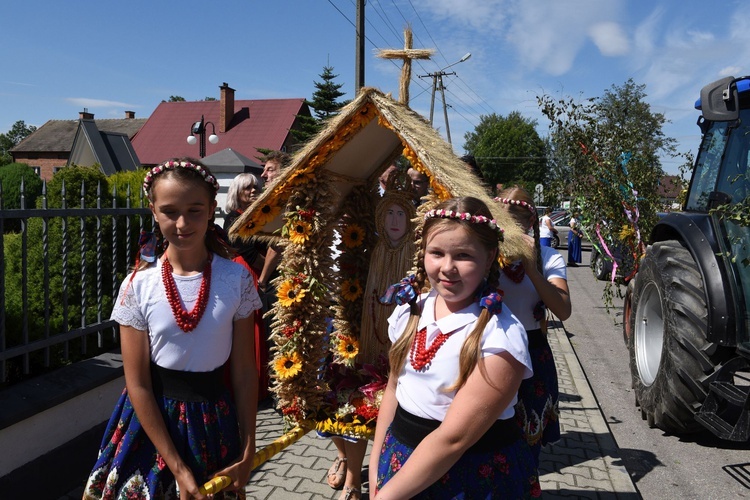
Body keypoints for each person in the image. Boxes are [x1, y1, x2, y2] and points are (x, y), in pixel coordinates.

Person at [83, 158, 260, 499]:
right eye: (170, 211)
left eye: (195, 210)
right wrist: (177, 467)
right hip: (151, 427)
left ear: (211, 210)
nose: (182, 222)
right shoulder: (138, 286)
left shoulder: (236, 280)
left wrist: (248, 449)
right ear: (153, 211)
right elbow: (137, 383)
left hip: (214, 421)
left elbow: (243, 372)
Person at [369, 197, 540, 499]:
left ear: (489, 259)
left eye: (463, 255)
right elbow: (394, 388)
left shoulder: (500, 334)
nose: (447, 268)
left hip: (470, 474)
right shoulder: (412, 310)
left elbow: (453, 439)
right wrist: (375, 469)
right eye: (436, 253)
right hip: (401, 459)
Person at [325, 182, 416, 500]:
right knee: (350, 405)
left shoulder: (413, 254)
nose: (394, 220)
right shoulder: (376, 251)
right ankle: (352, 475)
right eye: (388, 213)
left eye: (400, 214)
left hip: (400, 347)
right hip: (370, 336)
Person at [496, 187, 572, 467]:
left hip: (532, 351)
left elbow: (563, 310)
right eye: (504, 221)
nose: (510, 229)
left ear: (530, 223)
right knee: (494, 440)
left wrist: (531, 268)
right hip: (491, 350)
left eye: (517, 221)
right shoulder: (487, 254)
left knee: (528, 443)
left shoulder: (549, 256)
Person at [224, 172, 270, 401]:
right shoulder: (233, 217)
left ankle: (260, 386)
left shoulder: (258, 214)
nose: (253, 191)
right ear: (237, 192)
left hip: (256, 269)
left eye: (256, 187)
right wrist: (266, 272)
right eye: (248, 188)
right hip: (245, 271)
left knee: (258, 325)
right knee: (248, 323)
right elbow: (247, 250)